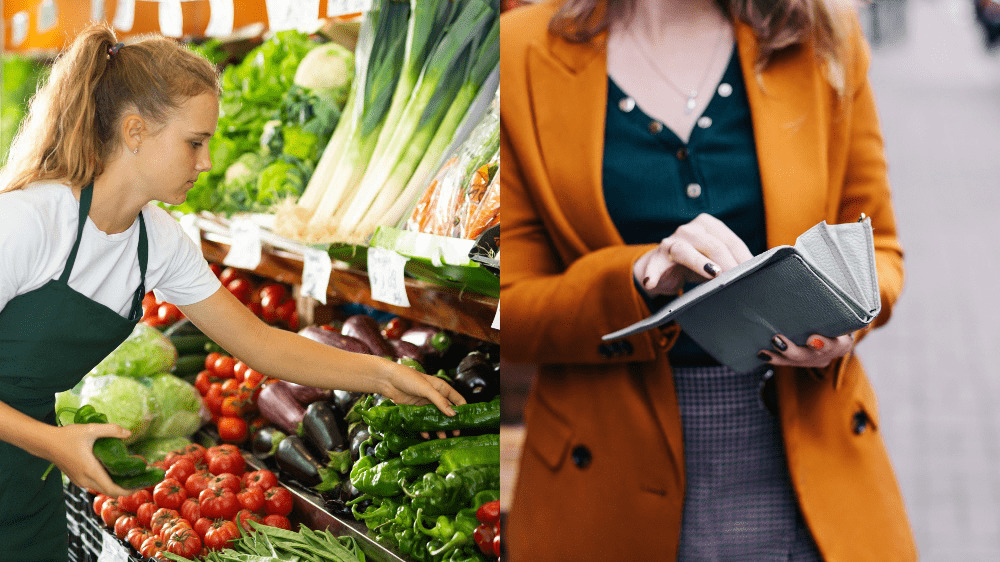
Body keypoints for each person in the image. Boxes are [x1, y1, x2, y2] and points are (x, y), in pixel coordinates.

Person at [0, 25, 464, 562]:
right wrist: (51, 443)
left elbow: (259, 343)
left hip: (27, 479)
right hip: (36, 443)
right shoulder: (30, 220)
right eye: (194, 142)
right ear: (134, 131)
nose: (206, 163)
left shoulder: (156, 241)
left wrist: (384, 375)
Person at [500, 0, 916, 559]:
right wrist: (635, 279)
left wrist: (842, 318)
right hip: (604, 473)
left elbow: (879, 248)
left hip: (809, 459)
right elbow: (509, 306)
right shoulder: (521, 49)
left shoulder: (817, 33)